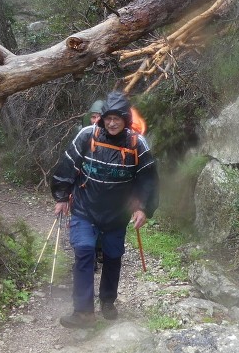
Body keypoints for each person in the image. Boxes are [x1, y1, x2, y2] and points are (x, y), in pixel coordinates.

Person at [51, 90, 159, 328]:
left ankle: (108, 301)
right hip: (85, 207)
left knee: (112, 257)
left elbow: (147, 179)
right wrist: (61, 195)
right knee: (84, 250)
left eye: (117, 118)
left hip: (116, 214)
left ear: (125, 120)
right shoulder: (87, 135)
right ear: (102, 118)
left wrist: (142, 207)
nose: (111, 123)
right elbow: (68, 164)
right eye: (108, 118)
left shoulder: (136, 144)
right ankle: (83, 313)